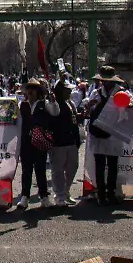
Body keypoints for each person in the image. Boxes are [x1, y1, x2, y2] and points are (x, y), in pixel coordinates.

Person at [16, 78, 59, 209]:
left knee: (40, 169)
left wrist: (53, 101)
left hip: (39, 141)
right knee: (26, 170)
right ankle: (25, 197)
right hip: (26, 141)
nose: (30, 91)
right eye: (28, 88)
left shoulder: (44, 103)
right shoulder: (21, 105)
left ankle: (44, 197)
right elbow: (17, 123)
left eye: (33, 89)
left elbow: (55, 112)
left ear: (38, 91)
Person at [85, 66, 125, 206]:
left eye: (108, 80)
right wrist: (89, 105)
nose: (106, 83)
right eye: (104, 80)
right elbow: (88, 110)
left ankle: (111, 192)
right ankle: (101, 194)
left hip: (113, 134)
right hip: (98, 134)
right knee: (100, 166)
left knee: (113, 165)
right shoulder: (96, 93)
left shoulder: (122, 93)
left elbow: (128, 113)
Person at [50, 80, 80, 207]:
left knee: (72, 167)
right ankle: (59, 196)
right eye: (67, 90)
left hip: (71, 141)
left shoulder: (71, 103)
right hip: (58, 143)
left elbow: (74, 121)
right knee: (57, 171)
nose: (70, 92)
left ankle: (66, 191)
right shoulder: (53, 104)